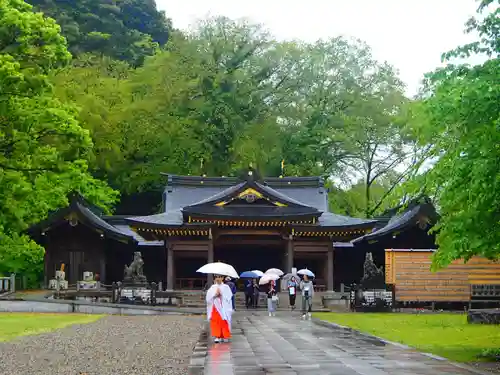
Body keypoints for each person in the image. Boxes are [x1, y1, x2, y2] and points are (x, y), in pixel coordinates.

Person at [206, 274, 233, 343]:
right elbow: (208, 297)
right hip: (215, 306)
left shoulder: (226, 287)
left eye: (219, 277)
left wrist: (222, 294)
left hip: (223, 307)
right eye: (216, 277)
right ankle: (217, 336)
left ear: (222, 278)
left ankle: (224, 335)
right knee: (215, 321)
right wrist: (214, 295)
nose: (218, 279)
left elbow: (229, 297)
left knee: (223, 321)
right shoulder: (213, 287)